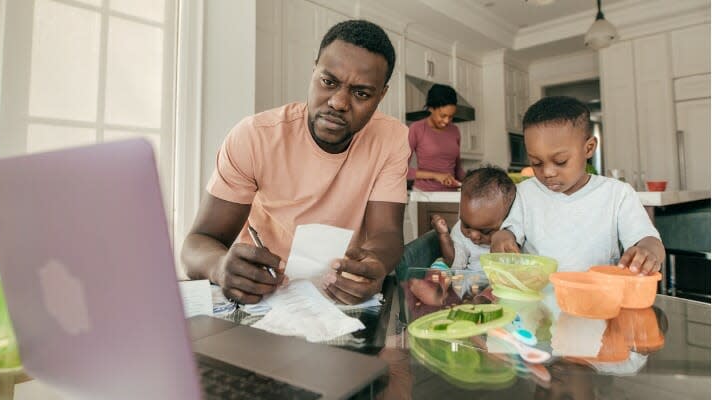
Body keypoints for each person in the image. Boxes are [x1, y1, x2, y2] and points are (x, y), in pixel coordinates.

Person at [181, 20, 410, 305]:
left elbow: (386, 233)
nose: (339, 102)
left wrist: (374, 264)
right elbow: (197, 244)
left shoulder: (393, 138)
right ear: (314, 69)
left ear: (382, 95)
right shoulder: (254, 136)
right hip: (259, 295)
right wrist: (218, 266)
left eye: (361, 93)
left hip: (337, 295)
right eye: (328, 82)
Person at [491, 96, 665, 275]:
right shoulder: (525, 193)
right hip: (538, 298)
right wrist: (502, 237)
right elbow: (510, 232)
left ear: (588, 148)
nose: (548, 172)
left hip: (597, 296)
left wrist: (648, 252)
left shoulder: (617, 194)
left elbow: (648, 239)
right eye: (536, 162)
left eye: (560, 161)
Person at [430, 166, 516, 287]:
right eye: (466, 226)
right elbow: (454, 263)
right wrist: (444, 236)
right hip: (471, 289)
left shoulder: (513, 233)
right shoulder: (459, 230)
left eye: (485, 231)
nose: (474, 235)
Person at [407, 84, 465, 191]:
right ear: (431, 109)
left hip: (451, 194)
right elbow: (402, 170)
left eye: (451, 116)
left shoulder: (455, 130)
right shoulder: (417, 128)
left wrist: (471, 181)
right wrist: (435, 175)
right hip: (425, 194)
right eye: (443, 116)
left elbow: (458, 170)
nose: (447, 121)